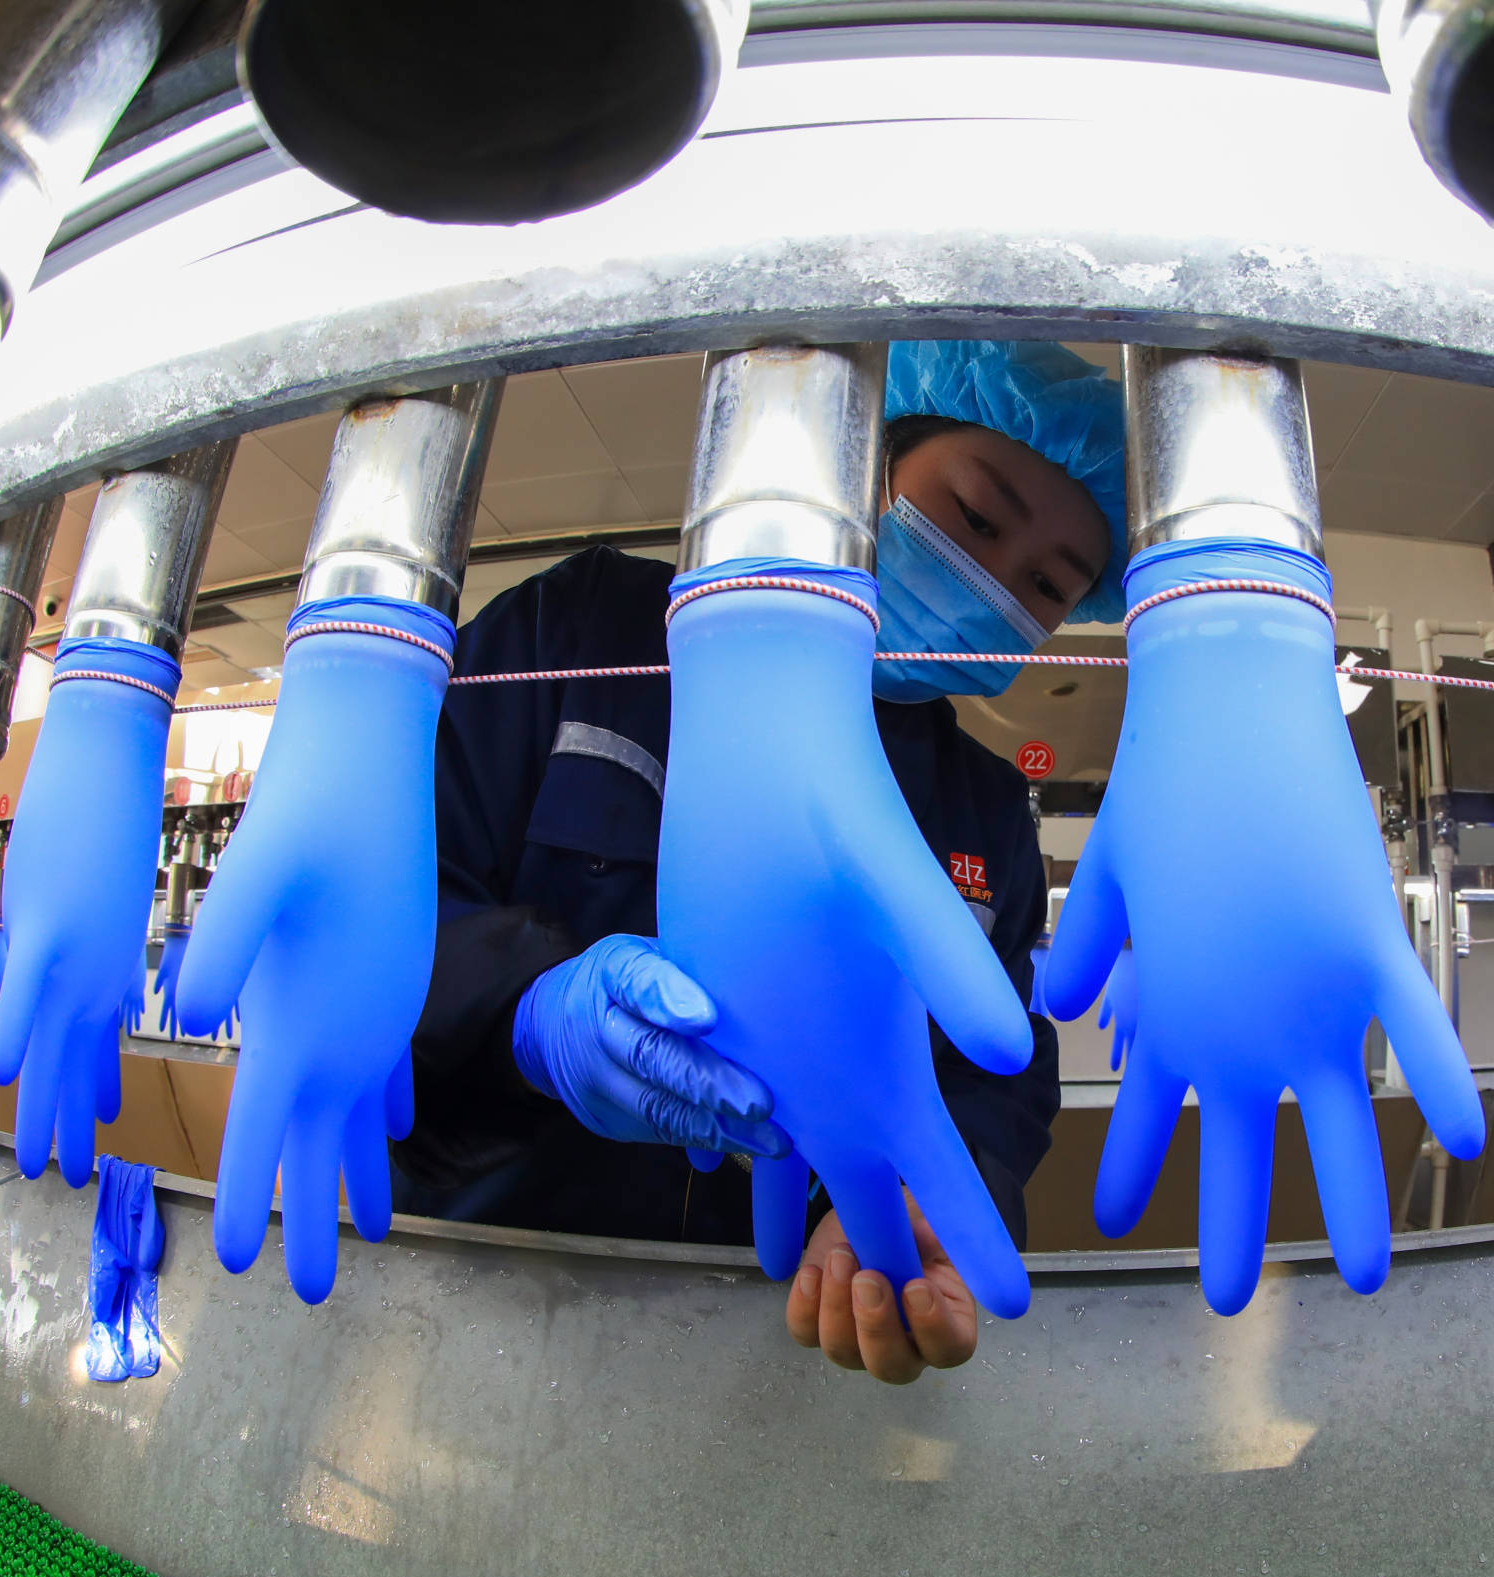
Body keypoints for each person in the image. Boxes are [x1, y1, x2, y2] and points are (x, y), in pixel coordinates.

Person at [396, 340, 1128, 1384]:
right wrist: (531, 1013)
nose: (990, 583)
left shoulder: (983, 803)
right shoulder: (588, 627)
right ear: (868, 461)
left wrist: (925, 1201)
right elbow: (392, 906)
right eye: (973, 517)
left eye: (1047, 586)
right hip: (493, 1292)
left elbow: (995, 1074)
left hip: (776, 1343)